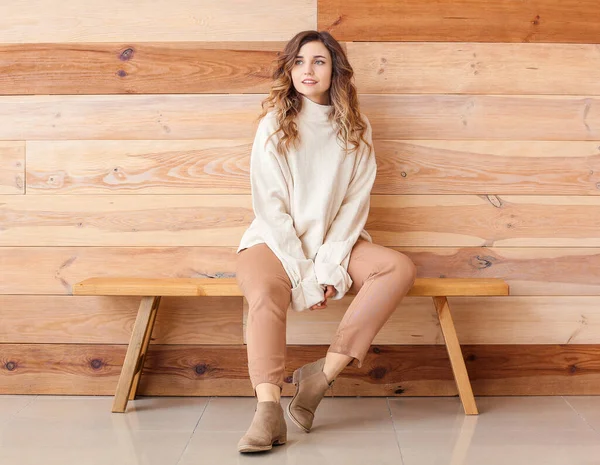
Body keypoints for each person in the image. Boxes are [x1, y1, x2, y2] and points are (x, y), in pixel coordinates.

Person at [235, 30, 417, 453]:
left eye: (317, 61)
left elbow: (354, 206)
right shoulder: (274, 124)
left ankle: (321, 376)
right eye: (298, 62)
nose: (306, 70)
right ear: (289, 69)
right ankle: (268, 410)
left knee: (398, 268)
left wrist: (330, 266)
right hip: (273, 241)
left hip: (336, 241)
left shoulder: (355, 127)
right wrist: (305, 276)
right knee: (263, 291)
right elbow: (271, 206)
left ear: (334, 68)